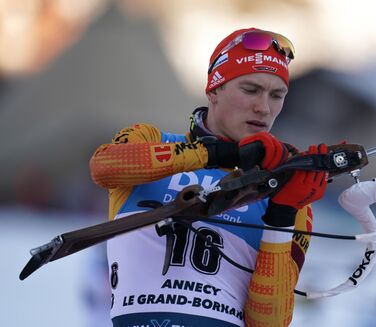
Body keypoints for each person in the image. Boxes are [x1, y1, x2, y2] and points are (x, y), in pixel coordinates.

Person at [90, 28, 328, 327]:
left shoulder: (284, 191)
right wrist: (214, 154)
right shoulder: (150, 138)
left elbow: (268, 322)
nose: (264, 107)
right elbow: (104, 166)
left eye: (276, 95)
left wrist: (282, 215)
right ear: (214, 89)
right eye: (250, 90)